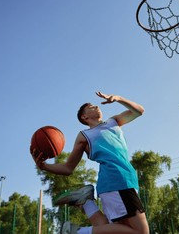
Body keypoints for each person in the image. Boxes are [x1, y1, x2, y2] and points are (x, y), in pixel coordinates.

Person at [32, 92, 149, 234]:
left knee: (115, 229)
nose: (96, 106)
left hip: (126, 181)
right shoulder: (85, 135)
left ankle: (87, 203)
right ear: (84, 117)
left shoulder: (113, 122)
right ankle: (77, 232)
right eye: (91, 106)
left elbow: (139, 111)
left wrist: (118, 98)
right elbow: (68, 167)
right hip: (117, 181)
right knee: (141, 232)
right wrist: (43, 166)